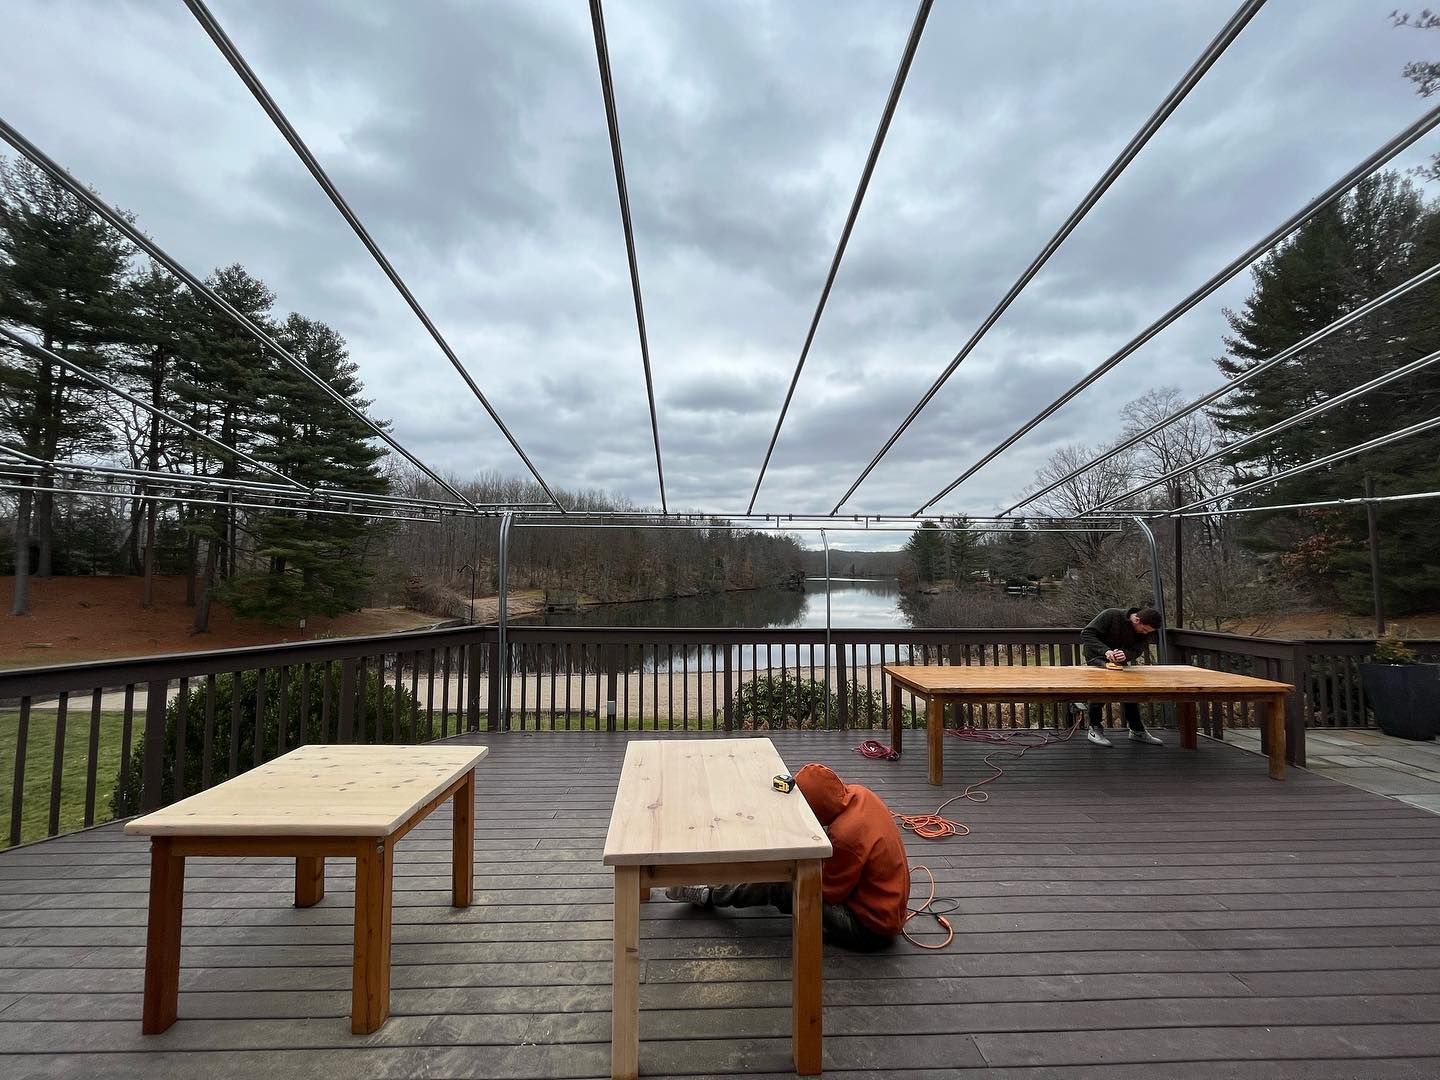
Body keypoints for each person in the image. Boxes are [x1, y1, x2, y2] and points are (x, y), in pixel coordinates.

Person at [664, 762, 910, 951]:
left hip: (869, 929)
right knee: (787, 878)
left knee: (780, 886)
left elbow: (826, 891)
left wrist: (787, 868)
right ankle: (731, 888)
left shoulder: (846, 836)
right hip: (889, 910)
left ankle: (709, 894)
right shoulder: (859, 794)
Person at [1075, 605, 1165, 748]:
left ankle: (1137, 730)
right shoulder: (1111, 615)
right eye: (1144, 629)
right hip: (1096, 657)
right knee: (1099, 690)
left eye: (1148, 632)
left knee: (1130, 692)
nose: (1145, 633)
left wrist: (1126, 654)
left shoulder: (1145, 632)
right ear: (1136, 619)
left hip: (1119, 662)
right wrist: (1106, 651)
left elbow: (1137, 650)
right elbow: (1087, 633)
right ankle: (1094, 729)